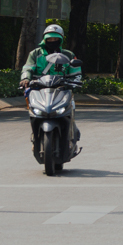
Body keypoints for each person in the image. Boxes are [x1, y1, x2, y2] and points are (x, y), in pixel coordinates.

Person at [22, 23, 84, 152]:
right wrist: (26, 79)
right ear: (44, 39)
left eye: (55, 39)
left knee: (71, 108)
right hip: (39, 89)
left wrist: (75, 81)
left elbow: (75, 72)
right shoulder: (35, 54)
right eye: (49, 39)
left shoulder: (68, 54)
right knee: (34, 112)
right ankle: (35, 137)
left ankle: (71, 136)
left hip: (62, 89)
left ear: (60, 39)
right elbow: (28, 67)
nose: (52, 41)